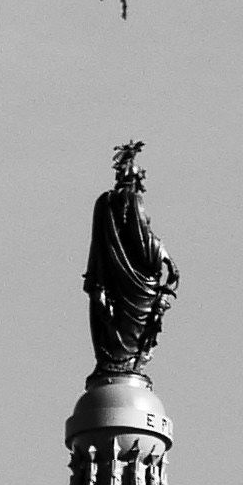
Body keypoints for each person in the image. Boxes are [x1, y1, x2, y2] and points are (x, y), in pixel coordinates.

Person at [83, 142, 177, 369]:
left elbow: (139, 235)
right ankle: (121, 365)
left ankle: (121, 365)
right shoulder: (121, 203)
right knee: (116, 331)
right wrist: (163, 254)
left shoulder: (108, 203)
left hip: (121, 282)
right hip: (125, 281)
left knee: (113, 329)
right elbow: (141, 236)